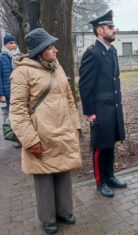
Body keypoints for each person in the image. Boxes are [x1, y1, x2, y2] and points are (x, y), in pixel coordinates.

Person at [9, 28, 82, 234]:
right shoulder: (21, 72)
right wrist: (31, 140)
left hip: (63, 132)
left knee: (63, 172)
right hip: (40, 135)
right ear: (40, 51)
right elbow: (17, 111)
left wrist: (75, 125)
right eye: (50, 48)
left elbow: (69, 97)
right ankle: (48, 218)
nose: (55, 50)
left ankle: (65, 211)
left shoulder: (56, 66)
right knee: (44, 178)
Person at [79, 10, 127, 197]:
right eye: (110, 27)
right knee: (100, 146)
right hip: (99, 109)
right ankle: (101, 182)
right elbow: (85, 85)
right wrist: (90, 112)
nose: (114, 30)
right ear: (99, 30)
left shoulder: (112, 50)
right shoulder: (93, 53)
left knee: (110, 143)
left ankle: (110, 176)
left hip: (113, 107)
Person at [0, 33, 22, 148]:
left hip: (21, 90)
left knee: (23, 115)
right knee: (13, 116)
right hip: (9, 93)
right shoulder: (1, 57)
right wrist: (1, 94)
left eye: (14, 42)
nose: (13, 45)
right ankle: (16, 139)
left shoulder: (21, 56)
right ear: (5, 45)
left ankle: (25, 137)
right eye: (10, 43)